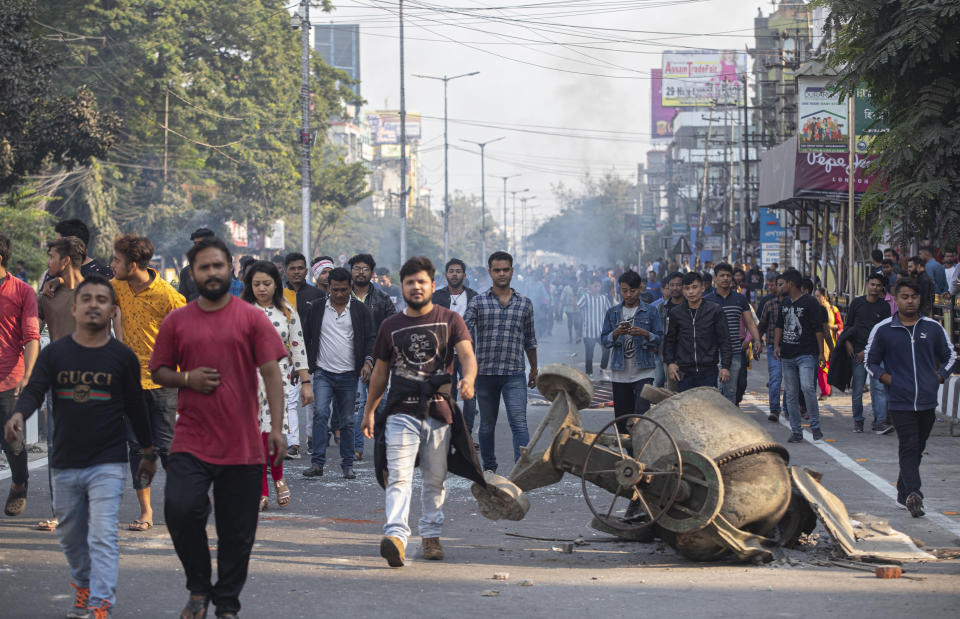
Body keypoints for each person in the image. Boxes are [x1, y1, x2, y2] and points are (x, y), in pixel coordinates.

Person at [149, 236, 289, 619]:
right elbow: (158, 370)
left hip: (243, 442)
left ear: (231, 269)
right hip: (191, 438)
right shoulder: (178, 320)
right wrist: (188, 379)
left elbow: (272, 373)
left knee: (237, 532)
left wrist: (275, 428)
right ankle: (198, 586)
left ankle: (226, 603)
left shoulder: (251, 318)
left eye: (218, 265)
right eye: (204, 267)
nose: (212, 273)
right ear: (192, 274)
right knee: (179, 508)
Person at [4, 275, 155, 619]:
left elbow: (135, 407)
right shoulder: (55, 353)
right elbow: (34, 391)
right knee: (72, 537)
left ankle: (101, 602)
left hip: (108, 462)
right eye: (86, 299)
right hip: (66, 462)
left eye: (102, 300)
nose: (93, 305)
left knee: (102, 535)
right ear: (73, 308)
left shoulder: (122, 357)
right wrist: (18, 415)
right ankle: (84, 586)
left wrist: (147, 451)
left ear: (112, 310)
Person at [361, 256, 480, 567]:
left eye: (422, 281)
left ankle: (430, 534)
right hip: (401, 411)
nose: (416, 287)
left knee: (434, 479)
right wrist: (370, 411)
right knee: (398, 477)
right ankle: (397, 537)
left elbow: (467, 354)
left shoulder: (451, 319)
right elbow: (379, 374)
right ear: (402, 287)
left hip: (439, 413)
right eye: (410, 282)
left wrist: (468, 379)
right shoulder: (390, 325)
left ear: (432, 284)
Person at [109, 234, 186, 533]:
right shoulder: (115, 287)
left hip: (163, 382)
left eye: (116, 260)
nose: (112, 264)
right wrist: (54, 282)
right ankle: (146, 511)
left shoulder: (168, 295)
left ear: (134, 264)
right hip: (130, 382)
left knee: (166, 449)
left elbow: (187, 334)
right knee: (138, 449)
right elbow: (86, 292)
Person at [866, 278, 956, 517]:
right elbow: (870, 361)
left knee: (918, 447)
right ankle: (914, 494)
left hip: (927, 400)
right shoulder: (885, 329)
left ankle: (901, 492)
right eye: (904, 297)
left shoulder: (932, 328)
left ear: (920, 299)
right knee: (909, 445)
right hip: (899, 401)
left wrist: (938, 378)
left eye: (914, 297)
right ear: (895, 299)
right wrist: (889, 379)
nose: (909, 301)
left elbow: (950, 356)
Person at [242, 262, 313, 509]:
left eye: (267, 283)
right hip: (247, 381)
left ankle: (278, 476)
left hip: (278, 380)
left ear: (276, 284)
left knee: (272, 433)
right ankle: (261, 489)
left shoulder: (287, 311)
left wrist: (306, 383)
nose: (261, 288)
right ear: (249, 286)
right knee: (254, 436)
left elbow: (298, 348)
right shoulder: (241, 311)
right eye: (256, 284)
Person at [464, 251, 537, 474]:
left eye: (506, 269)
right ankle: (490, 469)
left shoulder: (524, 304)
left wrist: (534, 368)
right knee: (486, 426)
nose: (502, 274)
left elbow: (530, 339)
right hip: (485, 374)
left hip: (514, 373)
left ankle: (520, 471)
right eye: (497, 270)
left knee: (520, 423)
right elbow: (464, 335)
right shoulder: (478, 302)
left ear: (512, 271)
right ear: (490, 272)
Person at [301, 267, 375, 480]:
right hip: (323, 372)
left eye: (344, 290)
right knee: (321, 414)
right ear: (328, 288)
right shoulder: (316, 309)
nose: (340, 294)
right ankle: (317, 464)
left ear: (350, 288)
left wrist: (368, 362)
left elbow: (371, 338)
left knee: (347, 421)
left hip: (349, 375)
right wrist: (302, 367)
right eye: (335, 290)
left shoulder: (360, 311)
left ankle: (347, 465)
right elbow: (306, 338)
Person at [35, 236, 86, 531]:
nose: (48, 262)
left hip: (95, 382)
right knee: (58, 447)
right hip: (59, 381)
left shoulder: (95, 292)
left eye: (52, 256)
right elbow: (34, 330)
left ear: (65, 260)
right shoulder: (48, 295)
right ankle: (61, 511)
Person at [0, 233, 40, 517]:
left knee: (11, 442)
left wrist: (28, 378)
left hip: (9, 379)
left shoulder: (22, 291)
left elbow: (32, 337)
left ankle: (19, 482)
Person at [600, 271, 662, 430]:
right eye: (624, 290)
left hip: (644, 372)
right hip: (619, 373)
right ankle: (628, 453)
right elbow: (604, 342)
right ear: (619, 289)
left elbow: (660, 339)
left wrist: (645, 334)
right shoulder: (612, 312)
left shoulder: (651, 311)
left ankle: (639, 453)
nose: (628, 295)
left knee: (641, 419)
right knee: (621, 421)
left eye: (632, 291)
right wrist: (615, 334)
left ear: (640, 289)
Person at [349, 253, 396, 460]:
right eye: (357, 268)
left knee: (380, 402)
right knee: (356, 404)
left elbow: (392, 329)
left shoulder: (383, 300)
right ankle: (356, 448)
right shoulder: (342, 296)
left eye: (365, 269)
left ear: (372, 273)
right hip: (348, 357)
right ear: (351, 271)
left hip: (378, 359)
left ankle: (384, 445)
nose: (360, 272)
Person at [774, 269, 825, 443]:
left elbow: (818, 328)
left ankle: (815, 425)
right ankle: (796, 431)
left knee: (807, 387)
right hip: (787, 355)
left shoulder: (810, 302)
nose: (780, 287)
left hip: (807, 354)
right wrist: (776, 346)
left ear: (791, 284)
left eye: (783, 283)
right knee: (790, 394)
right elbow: (779, 326)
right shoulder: (784, 304)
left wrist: (821, 353)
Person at [662, 272, 732, 392]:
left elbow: (724, 340)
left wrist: (725, 366)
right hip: (684, 372)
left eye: (694, 287)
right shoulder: (676, 312)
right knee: (686, 408)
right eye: (687, 288)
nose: (691, 292)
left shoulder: (715, 310)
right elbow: (670, 340)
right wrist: (670, 363)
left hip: (708, 370)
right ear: (683, 290)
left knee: (706, 408)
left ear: (703, 288)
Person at [433, 258, 479, 434]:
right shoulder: (437, 297)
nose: (454, 274)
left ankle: (466, 432)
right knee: (448, 395)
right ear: (446, 275)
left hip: (467, 353)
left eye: (458, 271)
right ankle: (451, 432)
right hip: (445, 354)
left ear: (464, 275)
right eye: (451, 271)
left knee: (469, 394)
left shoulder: (474, 297)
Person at [705, 264, 761, 405]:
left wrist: (757, 340)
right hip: (713, 353)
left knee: (731, 391)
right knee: (716, 390)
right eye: (722, 275)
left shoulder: (740, 299)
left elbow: (750, 322)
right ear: (715, 278)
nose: (725, 278)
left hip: (735, 351)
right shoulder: (707, 300)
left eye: (728, 275)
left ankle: (729, 423)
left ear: (731, 279)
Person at [845, 273, 892, 434]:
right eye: (872, 284)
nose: (875, 288)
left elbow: (884, 332)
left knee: (878, 388)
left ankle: (880, 422)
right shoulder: (857, 303)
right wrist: (848, 344)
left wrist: (868, 351)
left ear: (882, 288)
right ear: (867, 285)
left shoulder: (884, 307)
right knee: (857, 389)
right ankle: (858, 420)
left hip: (876, 354)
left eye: (878, 285)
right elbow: (848, 326)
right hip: (857, 353)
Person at [758, 275, 786, 421]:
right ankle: (774, 409)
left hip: (791, 348)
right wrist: (756, 342)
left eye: (782, 284)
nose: (779, 287)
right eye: (777, 284)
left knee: (790, 380)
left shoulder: (793, 305)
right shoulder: (769, 304)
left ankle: (788, 407)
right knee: (775, 377)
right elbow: (762, 325)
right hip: (772, 347)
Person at [652, 272, 683, 390]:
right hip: (667, 353)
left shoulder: (690, 305)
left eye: (678, 285)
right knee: (672, 388)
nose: (675, 288)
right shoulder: (661, 308)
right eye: (672, 285)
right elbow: (658, 330)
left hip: (688, 355)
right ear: (668, 287)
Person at [578, 279, 612, 376]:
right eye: (595, 286)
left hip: (601, 331)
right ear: (590, 287)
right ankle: (589, 373)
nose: (597, 288)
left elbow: (609, 312)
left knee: (607, 348)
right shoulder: (585, 297)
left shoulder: (603, 299)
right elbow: (577, 307)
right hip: (588, 331)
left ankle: (603, 368)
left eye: (598, 286)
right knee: (589, 354)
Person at [178, 228, 215, 302]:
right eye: (195, 244)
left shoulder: (222, 269)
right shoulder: (186, 272)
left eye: (201, 243)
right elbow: (182, 301)